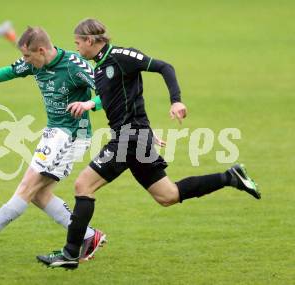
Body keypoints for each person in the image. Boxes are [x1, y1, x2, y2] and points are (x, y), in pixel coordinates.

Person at [36, 18, 261, 269]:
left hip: (129, 138)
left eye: (78, 43)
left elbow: (165, 67)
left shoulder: (122, 56)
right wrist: (97, 106)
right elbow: (124, 100)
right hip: (136, 136)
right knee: (168, 195)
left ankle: (69, 254)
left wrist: (176, 101)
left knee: (83, 184)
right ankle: (231, 177)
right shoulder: (99, 68)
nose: (77, 48)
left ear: (90, 40)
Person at [0, 26, 107, 262]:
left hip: (72, 134)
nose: (24, 61)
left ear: (42, 50)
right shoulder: (36, 63)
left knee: (27, 187)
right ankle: (88, 235)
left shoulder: (74, 65)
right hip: (55, 132)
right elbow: (9, 71)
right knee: (38, 194)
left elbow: (107, 92)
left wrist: (89, 104)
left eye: (27, 56)